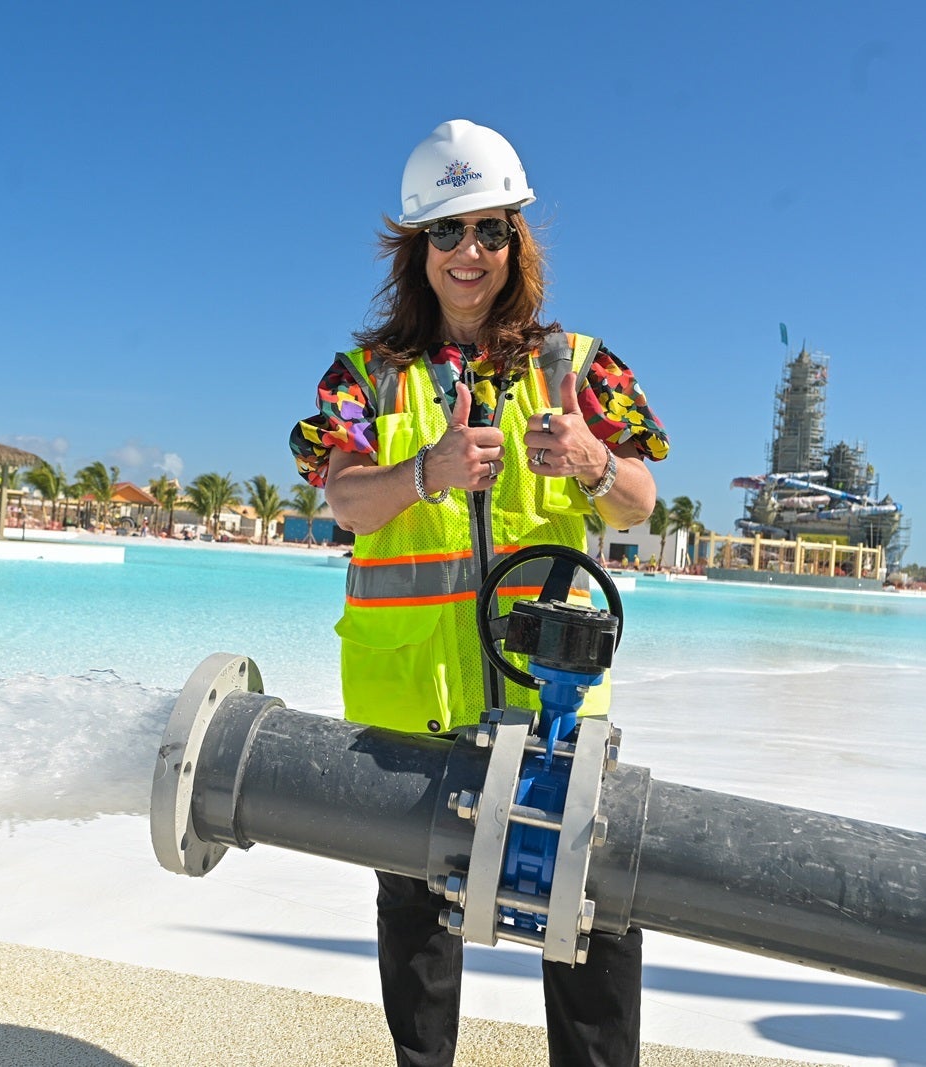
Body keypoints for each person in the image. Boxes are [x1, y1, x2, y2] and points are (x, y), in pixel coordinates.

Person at [290, 119, 668, 1067]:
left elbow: (640, 499)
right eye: (448, 233)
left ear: (516, 244)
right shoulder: (365, 378)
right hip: (407, 705)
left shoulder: (580, 365)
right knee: (417, 933)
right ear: (417, 249)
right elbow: (339, 496)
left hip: (557, 701)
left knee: (589, 919)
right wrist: (426, 471)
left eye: (490, 231)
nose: (470, 253)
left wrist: (588, 459)